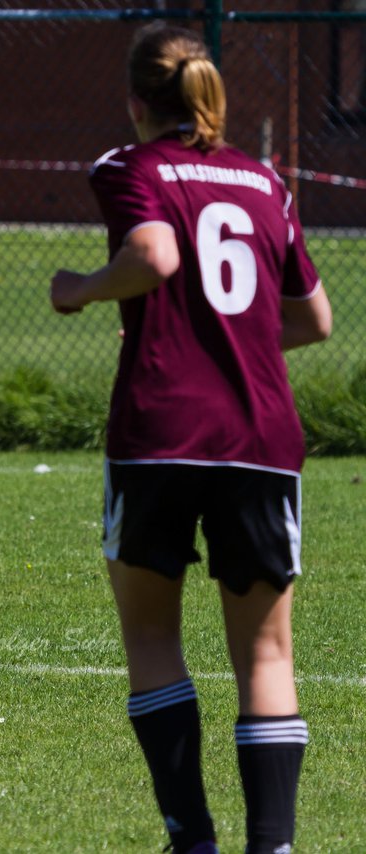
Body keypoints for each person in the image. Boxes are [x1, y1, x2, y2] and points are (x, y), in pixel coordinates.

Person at [50, 24, 332, 854]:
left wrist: (82, 291)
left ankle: (191, 839)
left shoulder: (125, 167)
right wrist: (234, 337)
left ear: (138, 99)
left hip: (161, 431)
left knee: (150, 637)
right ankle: (272, 848)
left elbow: (156, 253)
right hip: (259, 433)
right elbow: (313, 319)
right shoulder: (264, 180)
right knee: (267, 654)